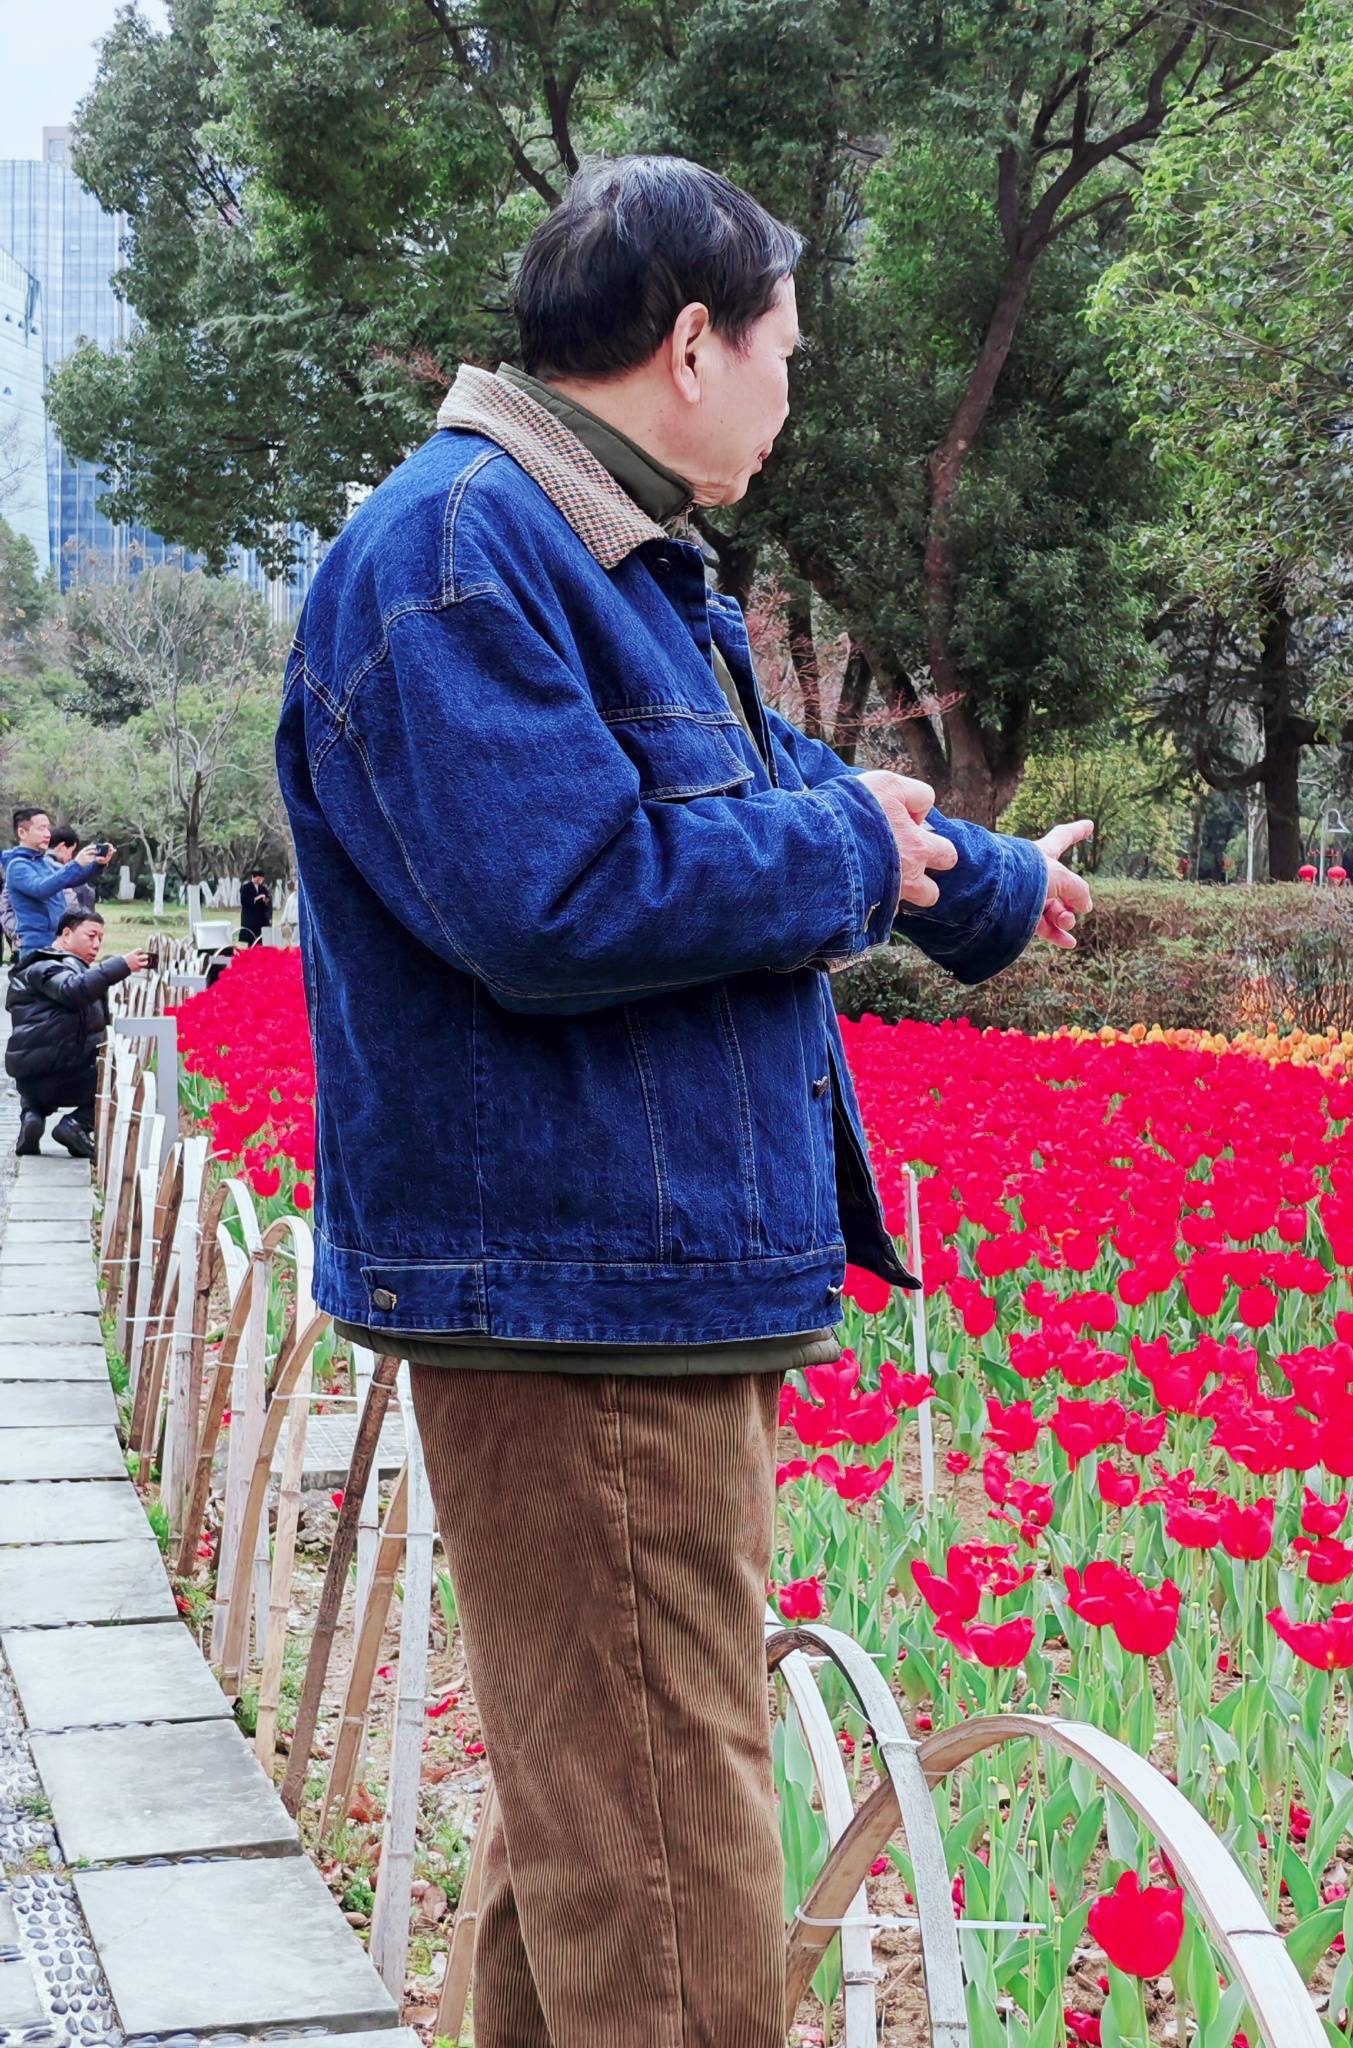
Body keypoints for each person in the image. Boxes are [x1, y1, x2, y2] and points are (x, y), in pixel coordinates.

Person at [277, 154, 1093, 2048]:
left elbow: (765, 793)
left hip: (623, 1275)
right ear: (694, 341)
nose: (793, 397)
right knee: (667, 1866)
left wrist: (981, 881)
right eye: (787, 355)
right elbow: (558, 897)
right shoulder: (462, 552)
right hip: (578, 1292)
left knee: (596, 1812)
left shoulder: (597, 544)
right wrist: (852, 848)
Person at [4, 908, 149, 1158]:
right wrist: (121, 966)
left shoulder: (37, 967)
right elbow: (72, 990)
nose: (96, 945)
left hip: (31, 1083)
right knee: (120, 1079)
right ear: (66, 934)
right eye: (91, 936)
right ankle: (76, 1125)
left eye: (100, 939)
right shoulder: (49, 966)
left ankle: (32, 1116)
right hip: (66, 1076)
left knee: (41, 1060)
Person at [2, 810, 113, 959]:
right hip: (36, 945)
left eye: (48, 829)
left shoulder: (45, 862)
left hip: (58, 942)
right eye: (41, 828)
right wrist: (75, 864)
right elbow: (40, 888)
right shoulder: (17, 866)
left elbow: (74, 878)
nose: (47, 834)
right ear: (22, 833)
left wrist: (98, 864)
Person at [46, 828, 98, 915]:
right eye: (71, 852)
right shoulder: (60, 871)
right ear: (62, 847)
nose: (70, 858)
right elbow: (73, 905)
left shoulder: (33, 863)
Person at [238, 867, 272, 944]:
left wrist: (266, 900)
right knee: (251, 940)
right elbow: (244, 901)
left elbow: (268, 900)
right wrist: (256, 898)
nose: (260, 881)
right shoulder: (245, 887)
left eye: (261, 879)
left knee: (261, 940)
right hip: (250, 918)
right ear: (254, 877)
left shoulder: (263, 888)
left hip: (261, 919)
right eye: (259, 878)